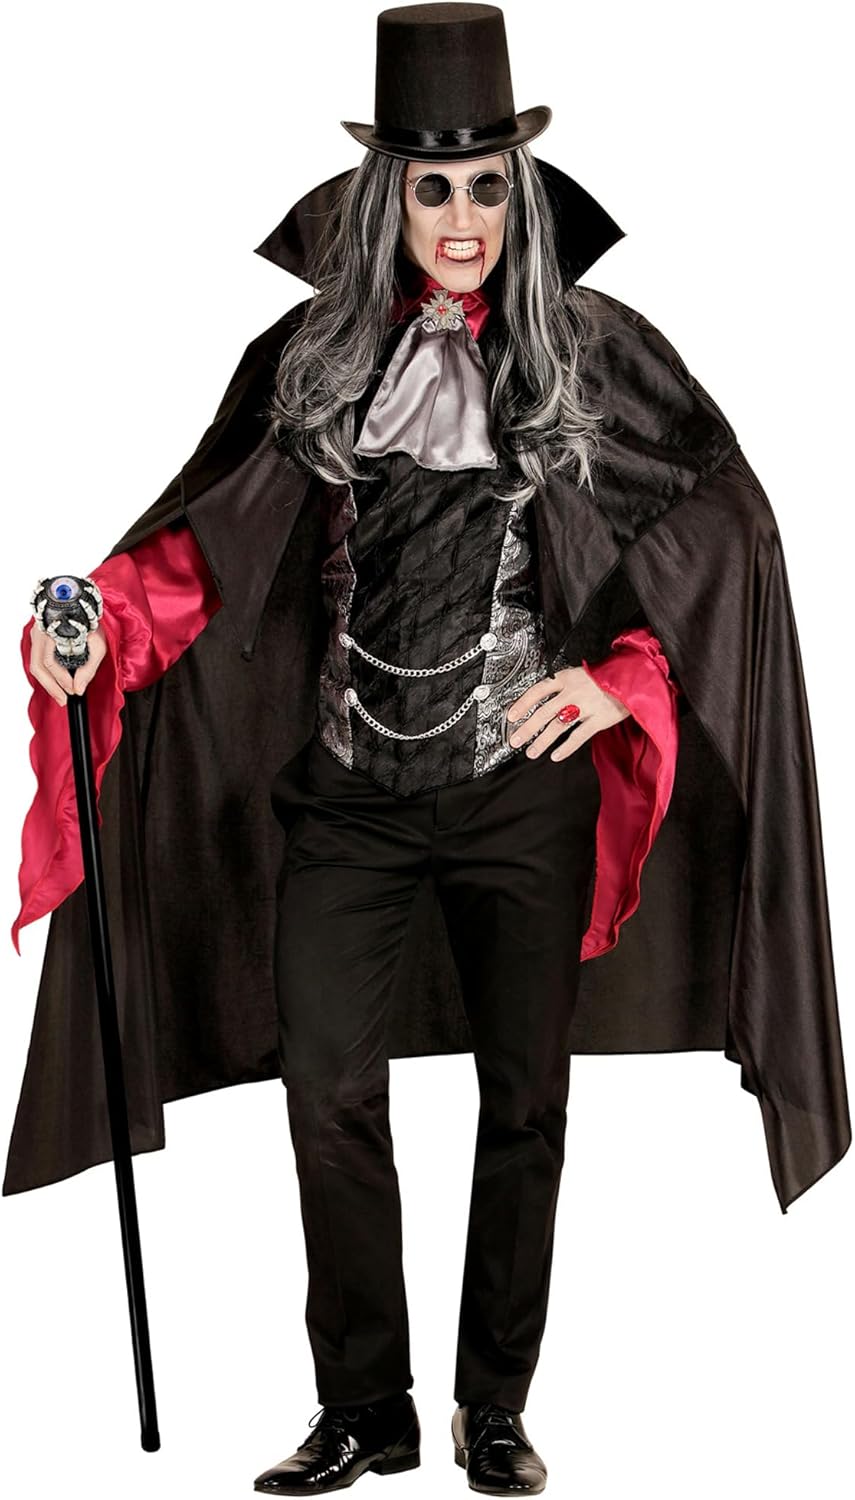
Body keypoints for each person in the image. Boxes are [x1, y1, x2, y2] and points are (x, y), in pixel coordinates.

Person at [9, 5, 850, 1497]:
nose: (462, 218)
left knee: (526, 1103)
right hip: (349, 798)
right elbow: (201, 551)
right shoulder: (314, 363)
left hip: (523, 799)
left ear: (520, 195)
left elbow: (719, 540)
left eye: (486, 186)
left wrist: (623, 681)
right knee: (327, 1095)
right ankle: (365, 1410)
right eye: (431, 185)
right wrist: (92, 630)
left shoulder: (593, 356)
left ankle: (495, 1410)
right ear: (385, 196)